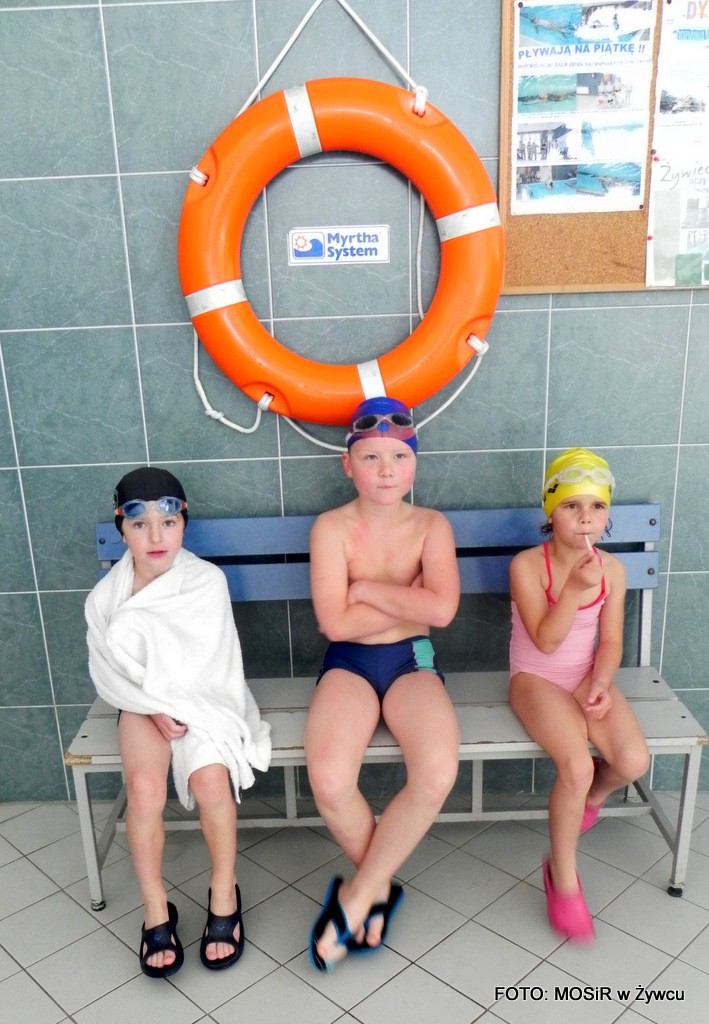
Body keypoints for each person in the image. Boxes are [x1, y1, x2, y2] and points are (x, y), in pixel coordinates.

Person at [85, 467, 271, 977]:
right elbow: (108, 674)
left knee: (211, 781)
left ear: (184, 524)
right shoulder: (105, 599)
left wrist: (182, 708)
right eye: (139, 524)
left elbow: (217, 667)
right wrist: (150, 707)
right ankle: (155, 907)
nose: (155, 537)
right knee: (144, 790)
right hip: (140, 703)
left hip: (204, 700)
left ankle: (223, 891)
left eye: (167, 522)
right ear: (122, 529)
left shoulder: (206, 582)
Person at [304, 397, 461, 972]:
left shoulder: (431, 527)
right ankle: (376, 887)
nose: (387, 469)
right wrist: (407, 600)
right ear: (348, 465)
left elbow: (441, 613)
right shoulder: (331, 528)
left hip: (412, 661)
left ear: (415, 462)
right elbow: (335, 625)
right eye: (371, 457)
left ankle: (360, 895)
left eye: (399, 456)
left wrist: (365, 591)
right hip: (348, 662)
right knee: (328, 780)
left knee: (437, 772)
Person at [508, 449, 649, 942]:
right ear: (550, 512)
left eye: (597, 506)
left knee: (632, 761)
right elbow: (546, 642)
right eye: (571, 505)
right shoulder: (527, 566)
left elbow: (610, 641)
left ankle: (591, 799)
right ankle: (562, 877)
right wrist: (571, 590)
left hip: (585, 676)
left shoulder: (612, 571)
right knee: (575, 764)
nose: (585, 517)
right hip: (535, 679)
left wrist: (602, 683)